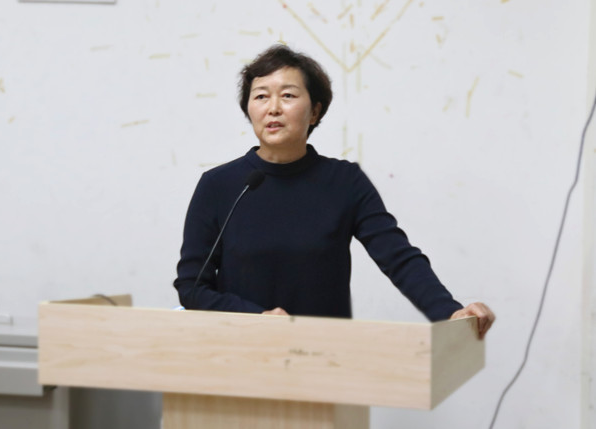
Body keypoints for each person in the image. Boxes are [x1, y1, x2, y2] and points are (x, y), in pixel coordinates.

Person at [173, 45, 495, 339]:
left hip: (326, 354)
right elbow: (192, 286)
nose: (273, 108)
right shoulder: (219, 185)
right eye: (260, 96)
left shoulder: (344, 182)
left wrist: (450, 311)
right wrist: (256, 317)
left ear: (314, 112)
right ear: (248, 109)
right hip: (237, 350)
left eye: (288, 95)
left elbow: (398, 258)